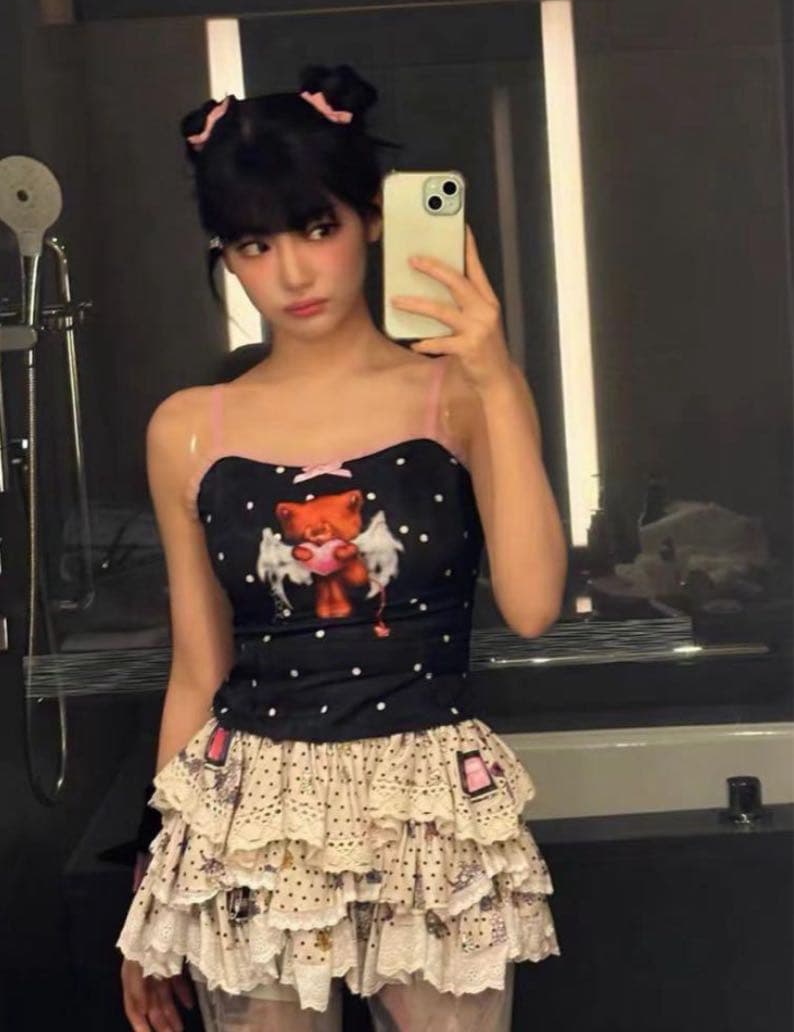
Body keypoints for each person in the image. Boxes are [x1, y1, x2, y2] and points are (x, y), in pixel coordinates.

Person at [116, 62, 567, 1032]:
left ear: (370, 218)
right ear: (226, 256)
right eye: (254, 244)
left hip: (429, 811)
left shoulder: (462, 395)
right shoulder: (187, 429)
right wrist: (155, 885)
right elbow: (197, 671)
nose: (290, 274)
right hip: (250, 814)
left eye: (315, 228)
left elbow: (532, 608)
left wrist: (495, 374)